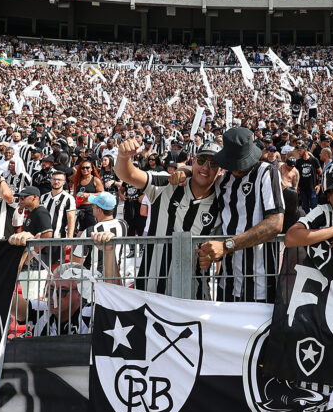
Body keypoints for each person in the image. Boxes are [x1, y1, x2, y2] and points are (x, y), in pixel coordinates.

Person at [116, 138, 220, 297]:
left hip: (192, 296)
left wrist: (210, 256)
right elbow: (127, 174)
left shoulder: (221, 205)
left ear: (220, 170)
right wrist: (123, 156)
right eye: (201, 160)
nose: (205, 167)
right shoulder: (167, 184)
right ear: (193, 161)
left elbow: (217, 248)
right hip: (151, 292)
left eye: (213, 164)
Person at [197, 127, 283, 302]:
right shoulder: (222, 181)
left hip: (261, 282)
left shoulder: (266, 172)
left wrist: (227, 246)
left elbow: (275, 223)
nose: (236, 170)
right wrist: (185, 172)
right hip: (227, 282)